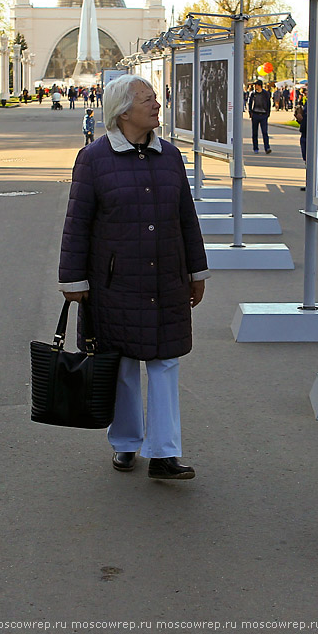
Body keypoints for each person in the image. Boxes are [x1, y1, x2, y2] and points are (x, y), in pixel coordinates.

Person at [58, 75, 209, 481]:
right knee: (122, 363)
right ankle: (125, 443)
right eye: (148, 100)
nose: (157, 105)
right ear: (124, 110)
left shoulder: (170, 156)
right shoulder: (94, 158)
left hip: (167, 279)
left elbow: (186, 219)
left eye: (156, 98)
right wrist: (74, 280)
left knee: (165, 363)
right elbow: (78, 224)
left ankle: (164, 453)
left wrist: (197, 270)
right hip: (115, 283)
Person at [248, 79, 272, 154]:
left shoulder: (265, 93)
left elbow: (268, 103)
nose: (255, 86)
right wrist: (250, 112)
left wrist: (268, 113)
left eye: (256, 85)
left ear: (259, 85)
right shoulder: (253, 94)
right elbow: (250, 103)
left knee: (264, 132)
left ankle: (267, 148)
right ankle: (255, 148)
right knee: (254, 133)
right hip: (255, 114)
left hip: (263, 115)